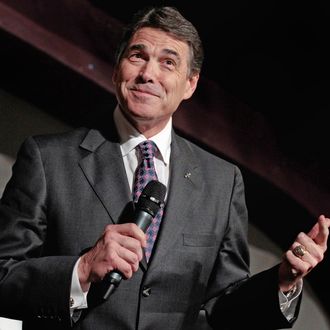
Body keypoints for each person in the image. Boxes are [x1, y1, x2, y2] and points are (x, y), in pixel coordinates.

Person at [0, 5, 329, 330]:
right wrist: (82, 270)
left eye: (168, 62)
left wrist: (284, 280)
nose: (148, 74)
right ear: (117, 70)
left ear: (190, 84)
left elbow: (223, 309)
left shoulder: (222, 181)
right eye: (137, 56)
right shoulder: (49, 159)